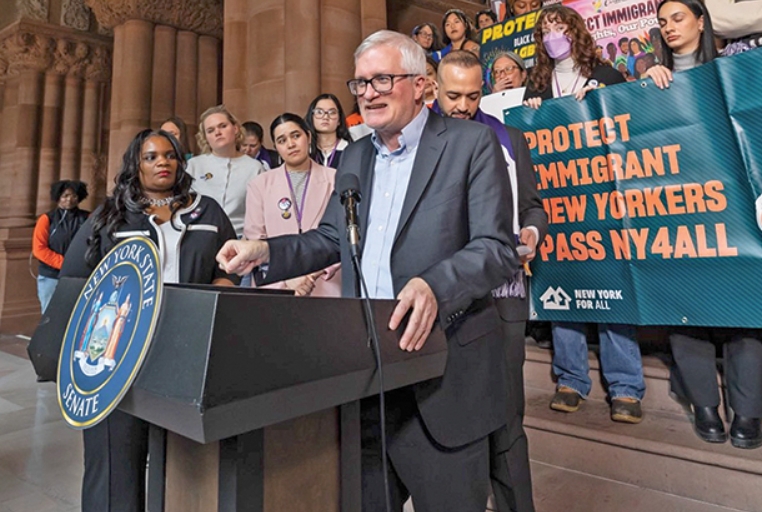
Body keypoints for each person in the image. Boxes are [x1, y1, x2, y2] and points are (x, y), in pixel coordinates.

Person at [217, 30, 519, 512]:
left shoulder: (471, 143)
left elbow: (497, 248)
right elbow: (331, 239)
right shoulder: (356, 156)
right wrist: (264, 250)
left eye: (382, 79)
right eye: (360, 83)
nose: (368, 93)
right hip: (365, 376)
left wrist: (435, 286)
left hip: (445, 374)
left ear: (420, 84)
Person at [60, 128, 239, 512]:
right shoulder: (110, 215)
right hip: (119, 354)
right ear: (135, 166)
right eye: (151, 157)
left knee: (189, 465)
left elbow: (229, 263)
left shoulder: (208, 210)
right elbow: (75, 277)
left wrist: (222, 284)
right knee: (115, 460)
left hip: (186, 350)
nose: (162, 163)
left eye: (170, 155)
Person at [434, 50, 548, 512]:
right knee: (451, 412)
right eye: (453, 96)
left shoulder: (509, 138)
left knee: (507, 413)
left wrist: (532, 231)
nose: (463, 106)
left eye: (472, 96)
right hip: (443, 294)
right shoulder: (418, 142)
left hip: (502, 294)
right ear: (433, 89)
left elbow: (533, 205)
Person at [244, 113, 341, 297]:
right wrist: (288, 276)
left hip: (325, 282)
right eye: (282, 140)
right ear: (276, 147)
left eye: (296, 136)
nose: (290, 144)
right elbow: (256, 239)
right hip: (277, 285)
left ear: (308, 137)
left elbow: (344, 236)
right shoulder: (259, 184)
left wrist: (312, 274)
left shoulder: (336, 178)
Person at [523, 5, 626, 108]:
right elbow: (525, 117)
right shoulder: (537, 84)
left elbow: (628, 110)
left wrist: (604, 98)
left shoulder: (607, 76)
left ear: (576, 32)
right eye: (546, 32)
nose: (552, 36)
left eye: (560, 28)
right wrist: (530, 111)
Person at [187, 105, 265, 238]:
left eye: (223, 126)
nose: (217, 132)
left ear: (235, 129)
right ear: (205, 138)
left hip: (241, 238)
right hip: (200, 235)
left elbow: (261, 212)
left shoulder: (255, 168)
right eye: (210, 130)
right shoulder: (193, 165)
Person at [32, 180, 89, 313]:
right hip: (51, 276)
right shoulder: (47, 219)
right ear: (58, 197)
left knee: (77, 314)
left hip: (78, 275)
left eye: (74, 196)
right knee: (50, 314)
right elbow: (39, 249)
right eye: (65, 196)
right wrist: (64, 264)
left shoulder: (88, 218)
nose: (69, 199)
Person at [643, 0, 719, 89]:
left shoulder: (725, 65)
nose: (668, 28)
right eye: (662, 24)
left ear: (701, 23)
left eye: (678, 19)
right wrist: (647, 85)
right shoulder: (662, 77)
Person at [305, 93, 353, 169]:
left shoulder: (349, 149)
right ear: (311, 117)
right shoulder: (305, 150)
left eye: (332, 112)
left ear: (339, 120)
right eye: (319, 112)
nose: (325, 117)